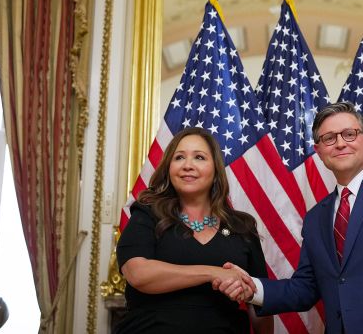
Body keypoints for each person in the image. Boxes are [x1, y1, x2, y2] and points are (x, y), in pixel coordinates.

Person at [216, 101, 363, 334]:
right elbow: (305, 288)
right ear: (319, 151)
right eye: (329, 138)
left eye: (349, 134)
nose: (340, 143)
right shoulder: (316, 218)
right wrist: (252, 288)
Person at [116, 127, 272, 334]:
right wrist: (213, 273)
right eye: (179, 157)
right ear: (169, 168)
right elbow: (137, 273)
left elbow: (259, 303)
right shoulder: (147, 213)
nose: (187, 165)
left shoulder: (242, 226)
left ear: (216, 170)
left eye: (199, 157)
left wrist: (247, 290)